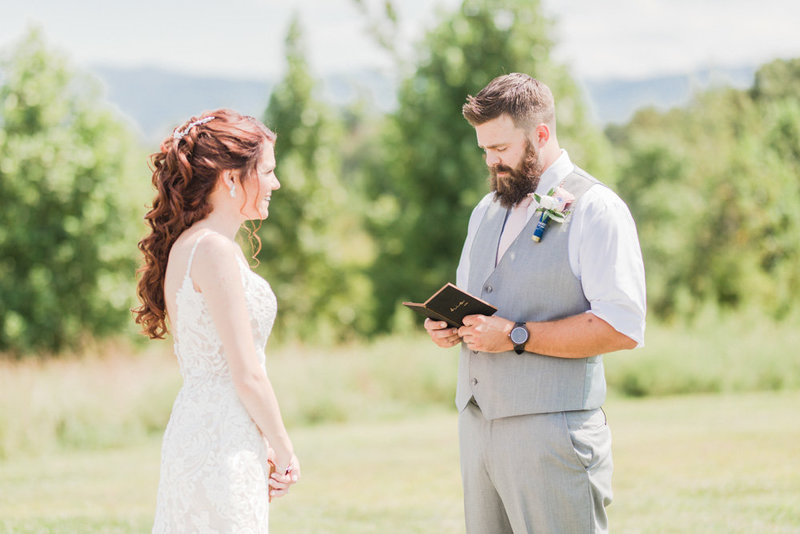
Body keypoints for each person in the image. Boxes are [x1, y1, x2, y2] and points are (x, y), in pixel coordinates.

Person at [424, 73, 646, 533]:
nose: (491, 162)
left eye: (501, 149)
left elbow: (623, 326)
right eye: (484, 150)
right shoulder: (486, 210)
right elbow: (480, 301)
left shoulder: (596, 209)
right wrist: (450, 327)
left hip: (554, 436)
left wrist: (515, 336)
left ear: (540, 134)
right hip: (479, 431)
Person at [133, 109, 299, 533]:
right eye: (267, 171)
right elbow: (247, 373)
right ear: (230, 176)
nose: (275, 183)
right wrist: (284, 448)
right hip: (221, 436)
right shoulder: (214, 251)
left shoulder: (197, 246)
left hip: (206, 425)